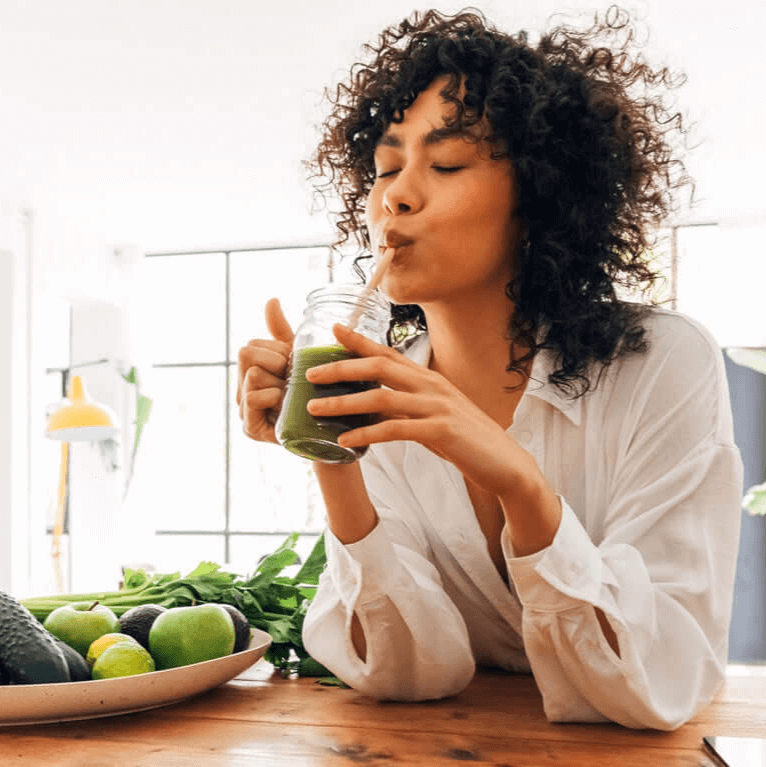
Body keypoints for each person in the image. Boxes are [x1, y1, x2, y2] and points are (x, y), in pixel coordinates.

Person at [236, 7, 743, 729]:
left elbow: (664, 679)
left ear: (538, 195)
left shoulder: (662, 363)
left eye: (445, 164)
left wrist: (519, 481)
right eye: (386, 166)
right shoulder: (378, 387)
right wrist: (331, 449)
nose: (395, 195)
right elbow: (408, 673)